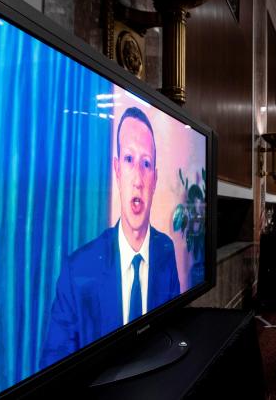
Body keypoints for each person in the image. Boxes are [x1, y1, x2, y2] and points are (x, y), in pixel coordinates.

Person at [42, 107, 180, 368]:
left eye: (146, 163)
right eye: (129, 159)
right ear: (117, 170)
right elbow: (53, 366)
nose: (138, 179)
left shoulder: (165, 249)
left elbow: (175, 328)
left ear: (154, 178)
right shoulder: (77, 271)